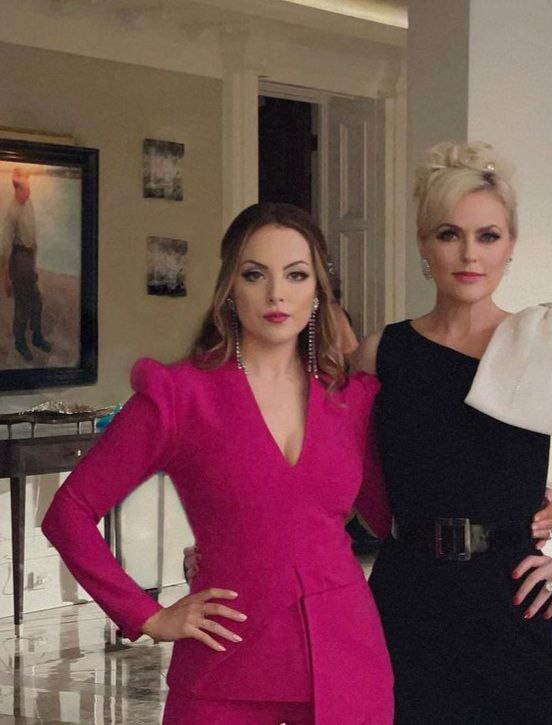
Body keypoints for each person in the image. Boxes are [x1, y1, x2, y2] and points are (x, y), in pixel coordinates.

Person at [42, 202, 395, 724]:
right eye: (255, 275)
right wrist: (147, 615)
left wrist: (514, 515)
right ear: (230, 287)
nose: (276, 294)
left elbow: (395, 519)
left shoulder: (353, 399)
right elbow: (68, 512)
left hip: (346, 661)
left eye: (296, 275)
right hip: (222, 665)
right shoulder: (180, 396)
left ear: (318, 290)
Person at [352, 141, 552, 724]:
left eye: (488, 236)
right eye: (449, 234)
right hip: (408, 602)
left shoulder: (542, 345)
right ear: (424, 244)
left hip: (512, 599)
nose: (469, 254)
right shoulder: (381, 354)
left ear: (511, 245)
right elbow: (339, 475)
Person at [2, 167, 51, 361]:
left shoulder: (28, 203)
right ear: (17, 189)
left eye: (30, 188)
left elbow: (33, 237)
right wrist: (5, 279)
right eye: (26, 189)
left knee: (37, 302)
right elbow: (5, 249)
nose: (29, 192)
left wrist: (34, 265)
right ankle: (20, 342)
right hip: (18, 258)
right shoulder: (11, 213)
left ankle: (37, 337)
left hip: (29, 258)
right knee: (23, 305)